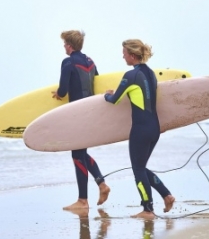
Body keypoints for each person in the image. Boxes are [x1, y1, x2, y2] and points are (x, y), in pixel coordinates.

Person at [104, 39, 175, 219]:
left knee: (138, 169)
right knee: (141, 167)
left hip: (141, 130)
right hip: (154, 128)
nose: (123, 56)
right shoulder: (151, 74)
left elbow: (114, 100)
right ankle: (167, 196)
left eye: (124, 53)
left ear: (132, 55)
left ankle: (148, 209)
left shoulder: (131, 75)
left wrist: (107, 94)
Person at [52, 30, 110, 210]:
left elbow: (63, 89)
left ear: (69, 45)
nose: (64, 47)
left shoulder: (68, 62)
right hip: (90, 111)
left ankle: (83, 200)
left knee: (77, 154)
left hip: (76, 113)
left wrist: (58, 95)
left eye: (64, 44)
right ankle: (101, 184)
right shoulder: (90, 62)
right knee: (81, 152)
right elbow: (97, 82)